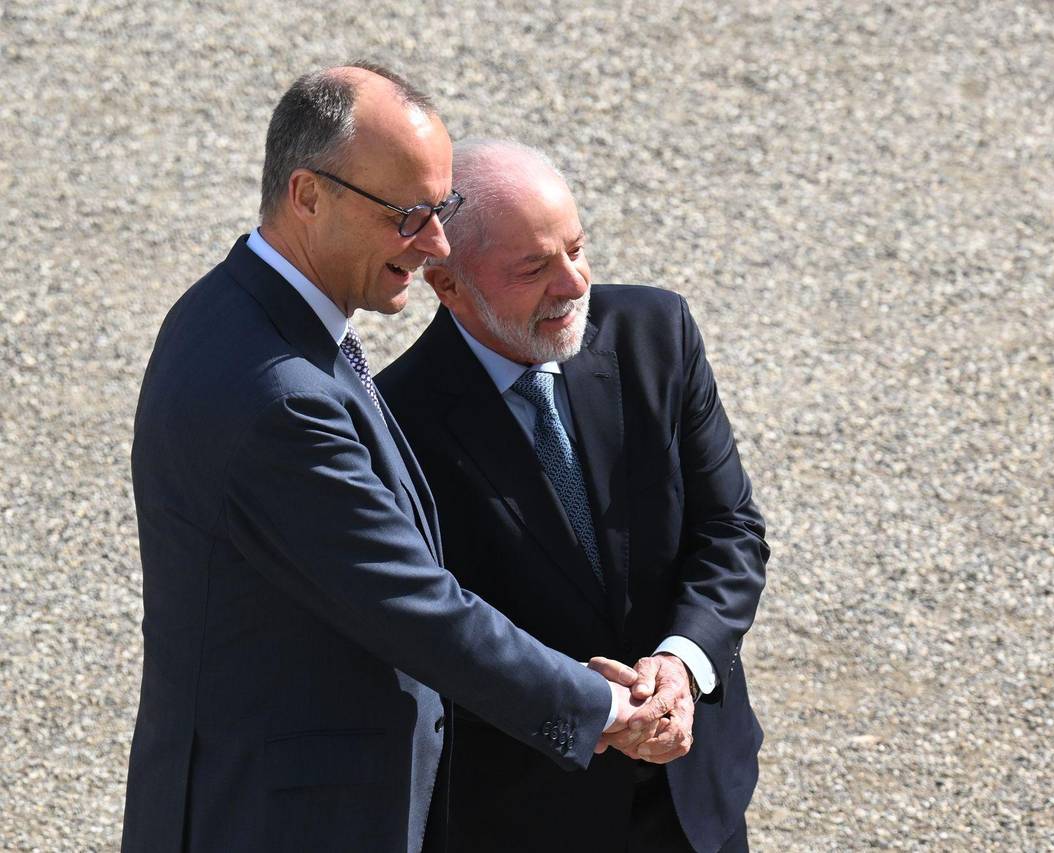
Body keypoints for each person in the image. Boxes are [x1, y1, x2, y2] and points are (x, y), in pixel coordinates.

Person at [122, 65, 676, 853]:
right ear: (308, 195)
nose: (437, 244)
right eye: (409, 216)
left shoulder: (236, 311)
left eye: (440, 211)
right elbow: (414, 605)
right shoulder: (280, 394)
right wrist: (603, 706)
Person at [376, 139, 770, 853]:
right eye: (533, 268)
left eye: (577, 248)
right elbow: (428, 632)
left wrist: (681, 663)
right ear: (448, 284)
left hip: (691, 795)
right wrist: (589, 706)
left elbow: (730, 529)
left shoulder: (658, 335)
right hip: (523, 815)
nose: (572, 282)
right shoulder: (395, 423)